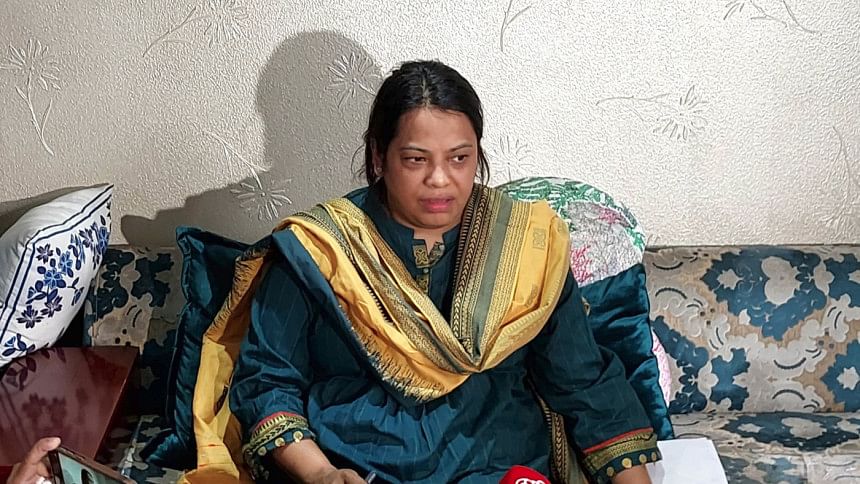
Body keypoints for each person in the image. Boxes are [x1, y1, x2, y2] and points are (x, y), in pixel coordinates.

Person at [184, 60, 660, 484]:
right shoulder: (320, 249)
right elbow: (268, 382)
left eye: (459, 158)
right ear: (379, 156)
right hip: (356, 465)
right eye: (416, 159)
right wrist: (321, 473)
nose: (440, 179)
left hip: (497, 466)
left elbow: (582, 380)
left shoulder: (525, 247)